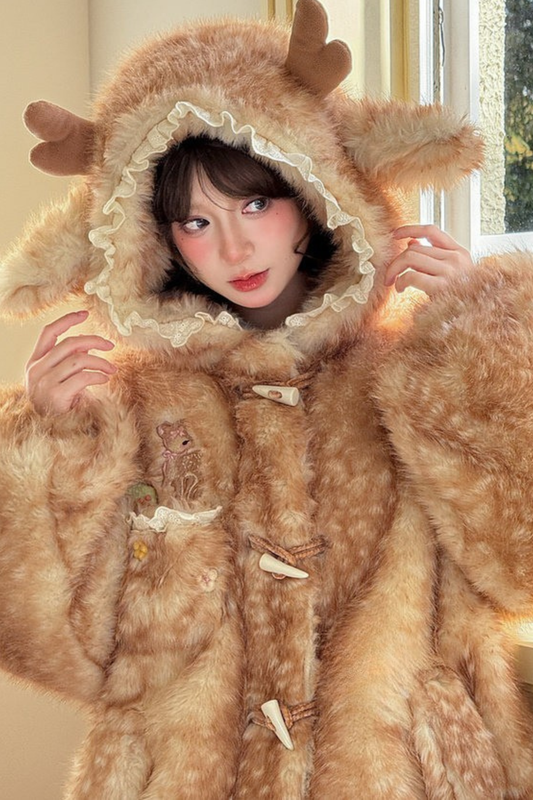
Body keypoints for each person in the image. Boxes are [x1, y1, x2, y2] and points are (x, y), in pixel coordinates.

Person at [1, 1, 533, 798]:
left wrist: (484, 337)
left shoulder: (410, 376)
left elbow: (518, 562)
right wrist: (42, 450)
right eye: (195, 221)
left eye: (255, 202)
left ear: (311, 190)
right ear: (156, 238)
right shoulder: (134, 406)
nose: (234, 245)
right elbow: (65, 647)